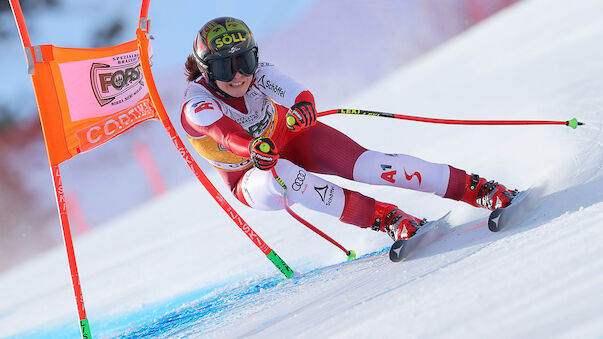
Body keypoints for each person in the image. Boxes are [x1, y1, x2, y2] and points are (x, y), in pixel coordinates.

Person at [181, 17, 516, 242]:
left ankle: (481, 189)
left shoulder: (259, 74)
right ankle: (388, 219)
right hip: (251, 174)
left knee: (369, 165)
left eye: (245, 62)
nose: (239, 75)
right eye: (226, 67)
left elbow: (294, 91)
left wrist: (303, 107)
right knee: (283, 173)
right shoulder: (195, 103)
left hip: (290, 138)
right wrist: (252, 149)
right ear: (206, 71)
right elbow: (226, 134)